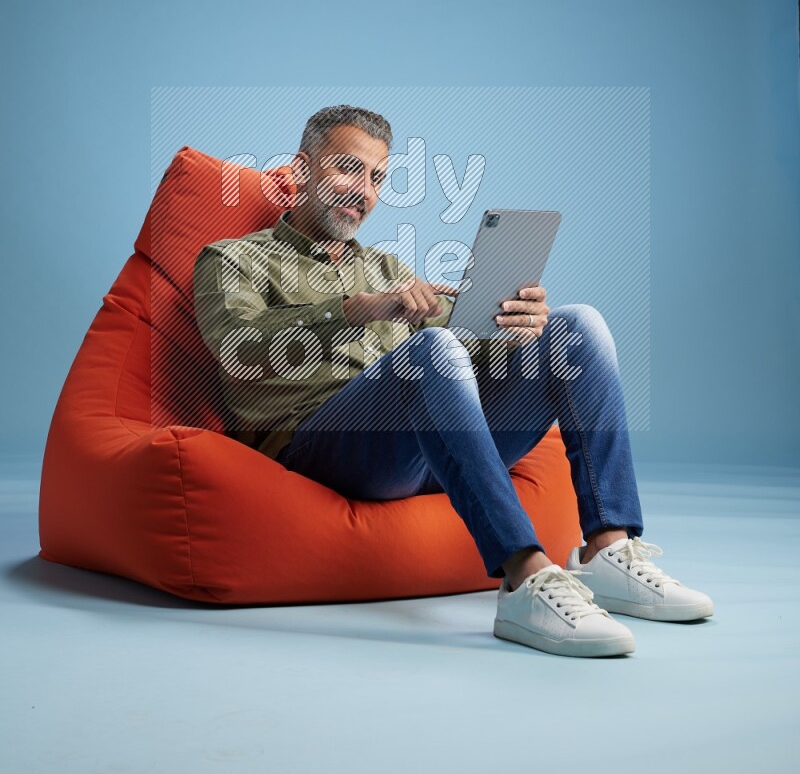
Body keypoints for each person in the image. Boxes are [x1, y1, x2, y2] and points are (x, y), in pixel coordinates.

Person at [193, 103, 714, 658]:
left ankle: (608, 549)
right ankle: (523, 577)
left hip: (426, 452)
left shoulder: (388, 270)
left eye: (376, 178)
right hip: (321, 451)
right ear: (301, 170)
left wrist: (517, 323)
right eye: (348, 168)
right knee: (431, 349)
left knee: (576, 326)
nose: (363, 192)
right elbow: (237, 347)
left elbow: (469, 350)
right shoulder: (233, 259)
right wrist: (354, 309)